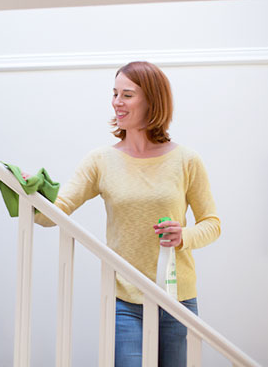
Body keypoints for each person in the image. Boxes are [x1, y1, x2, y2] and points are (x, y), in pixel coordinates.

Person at [34, 61, 220, 366]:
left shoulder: (187, 160)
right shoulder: (101, 160)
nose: (117, 103)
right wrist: (31, 191)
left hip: (178, 297)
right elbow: (50, 215)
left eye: (127, 95)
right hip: (125, 300)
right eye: (115, 93)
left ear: (152, 101)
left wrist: (183, 236)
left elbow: (212, 224)